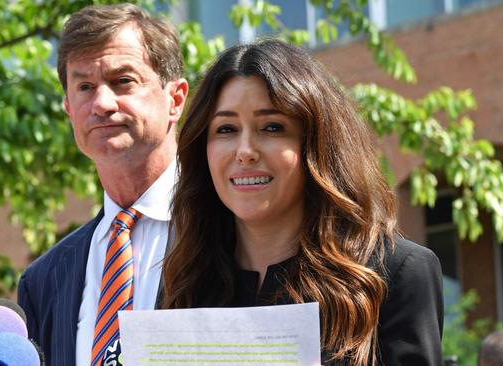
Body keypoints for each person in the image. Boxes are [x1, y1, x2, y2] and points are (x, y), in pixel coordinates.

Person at [161, 39, 443, 365]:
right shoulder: (184, 279)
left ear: (316, 145)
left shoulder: (394, 273)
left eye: (272, 127)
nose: (245, 150)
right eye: (226, 129)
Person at [17, 4, 187, 366]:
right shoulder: (43, 281)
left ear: (175, 99)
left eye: (123, 81)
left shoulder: (238, 230)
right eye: (84, 87)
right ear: (68, 109)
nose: (102, 103)